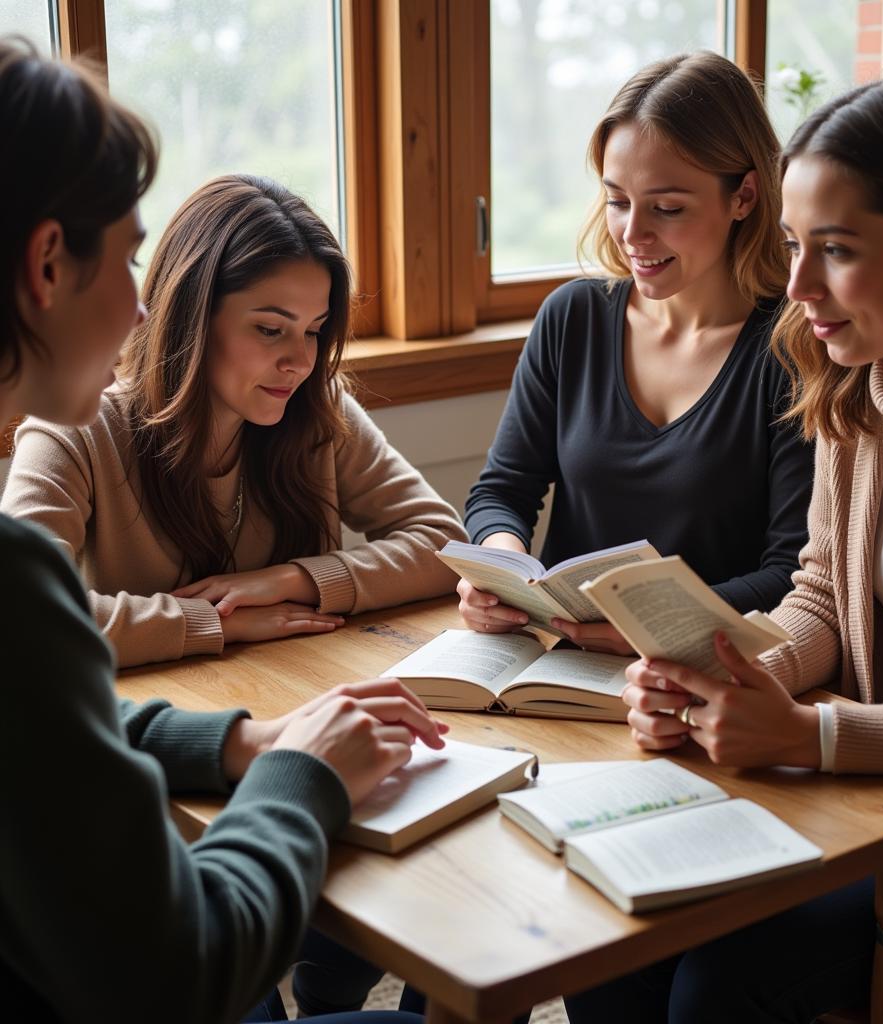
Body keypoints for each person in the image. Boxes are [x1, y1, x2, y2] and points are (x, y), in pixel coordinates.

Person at [567, 72, 883, 1022]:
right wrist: (720, 674)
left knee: (723, 981)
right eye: (791, 246)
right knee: (608, 941)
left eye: (838, 252)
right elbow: (818, 595)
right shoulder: (860, 391)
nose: (800, 286)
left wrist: (811, 735)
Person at [0, 36, 438, 1024]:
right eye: (130, 254)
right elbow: (181, 972)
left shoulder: (316, 415)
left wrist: (238, 735)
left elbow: (47, 717)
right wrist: (295, 769)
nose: (138, 303)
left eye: (314, 330)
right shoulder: (61, 468)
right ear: (45, 263)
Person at [1, 174, 466, 670]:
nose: (300, 362)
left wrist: (294, 579)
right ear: (192, 315)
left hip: (304, 687)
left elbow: (444, 542)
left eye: (313, 331)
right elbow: (20, 612)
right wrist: (213, 620)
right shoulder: (76, 434)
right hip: (156, 722)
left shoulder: (318, 408)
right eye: (271, 329)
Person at [457, 51, 814, 655]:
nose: (631, 234)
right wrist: (500, 570)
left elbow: (792, 576)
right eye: (618, 200)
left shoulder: (795, 348)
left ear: (746, 196)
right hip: (558, 666)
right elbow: (502, 493)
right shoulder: (572, 318)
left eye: (667, 208)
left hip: (714, 674)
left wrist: (646, 626)